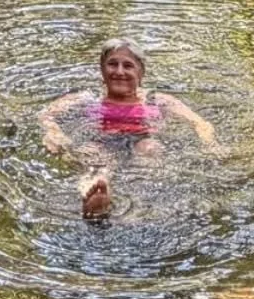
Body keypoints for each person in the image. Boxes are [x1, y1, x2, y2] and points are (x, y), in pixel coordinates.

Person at [40, 38, 218, 219]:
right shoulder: (86, 98)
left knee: (150, 149)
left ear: (141, 73)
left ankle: (142, 205)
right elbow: (45, 115)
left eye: (128, 66)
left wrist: (211, 145)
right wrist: (52, 132)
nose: (119, 71)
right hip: (101, 140)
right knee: (93, 154)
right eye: (112, 64)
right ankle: (96, 199)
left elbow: (199, 122)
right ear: (102, 70)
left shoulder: (157, 100)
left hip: (143, 138)